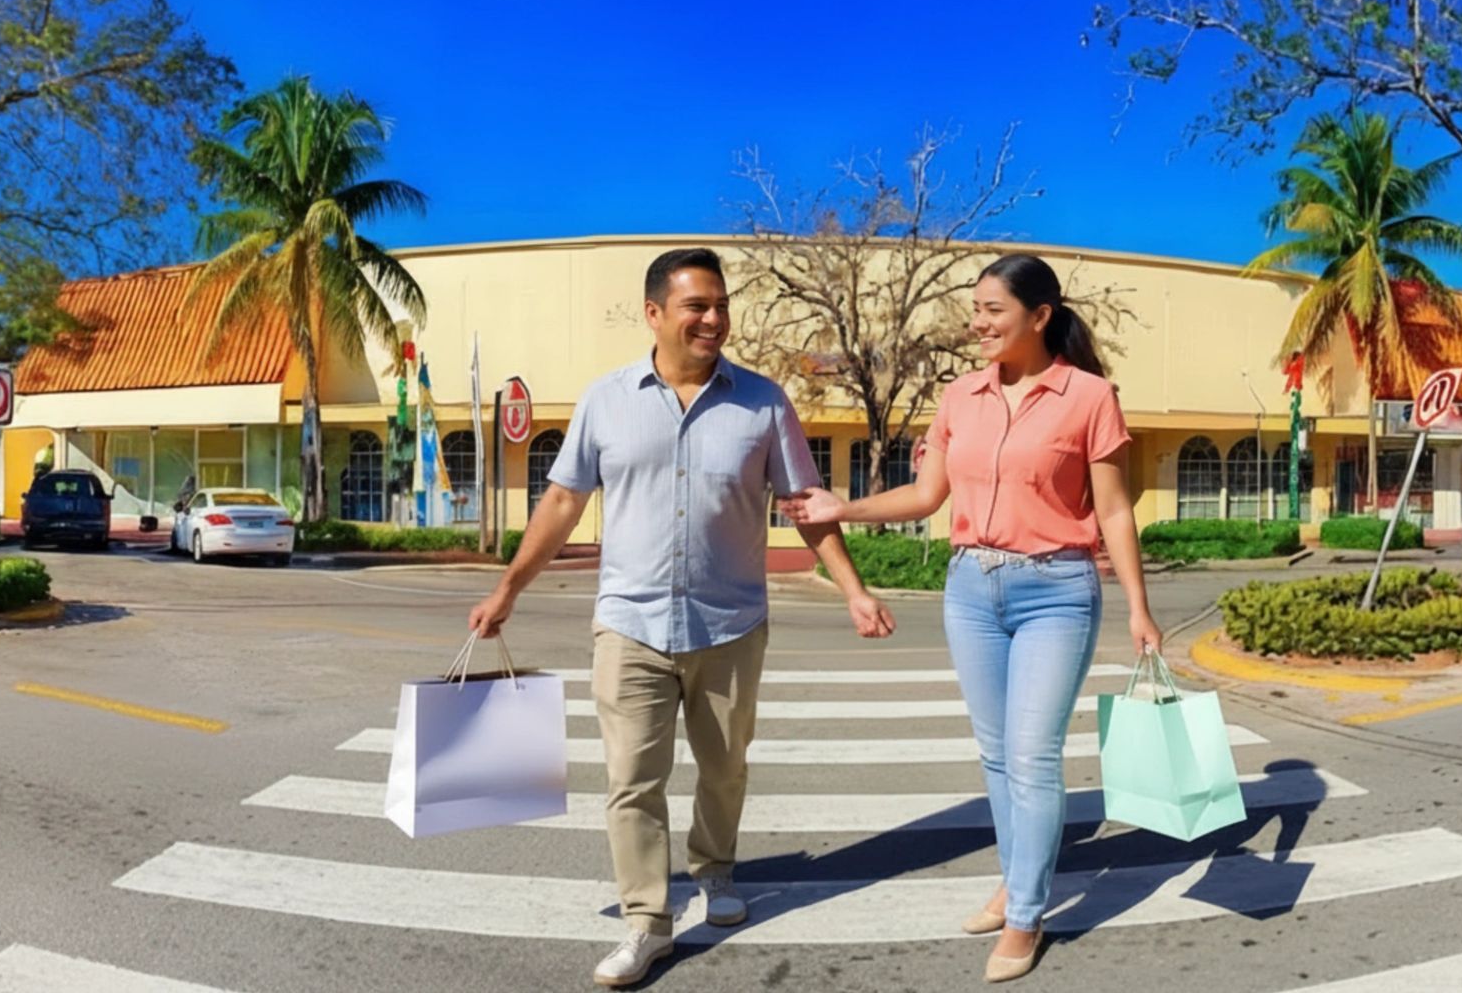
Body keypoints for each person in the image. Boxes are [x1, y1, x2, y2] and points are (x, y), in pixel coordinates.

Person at [468, 247, 897, 989]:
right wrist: (509, 588)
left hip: (730, 623)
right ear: (655, 313)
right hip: (628, 623)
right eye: (697, 306)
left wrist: (854, 590)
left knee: (724, 769)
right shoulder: (605, 401)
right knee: (632, 778)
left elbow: (806, 508)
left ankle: (716, 869)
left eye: (721, 305)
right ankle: (646, 921)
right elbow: (563, 502)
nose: (713, 319)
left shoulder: (763, 403)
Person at [782, 253, 1159, 984]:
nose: (977, 322)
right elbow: (926, 497)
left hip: (1057, 588)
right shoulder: (961, 397)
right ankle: (1018, 879)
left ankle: (1026, 915)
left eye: (993, 310)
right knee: (995, 757)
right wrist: (843, 507)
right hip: (970, 590)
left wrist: (1140, 609)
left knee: (1032, 755)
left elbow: (1113, 509)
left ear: (1039, 316)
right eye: (975, 308)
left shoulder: (1088, 397)